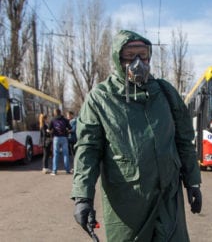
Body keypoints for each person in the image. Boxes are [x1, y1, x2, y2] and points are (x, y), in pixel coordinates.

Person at [71, 30, 202, 242]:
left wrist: (193, 182)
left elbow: (184, 140)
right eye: (130, 56)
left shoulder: (165, 93)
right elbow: (88, 148)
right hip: (128, 205)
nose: (138, 63)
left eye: (143, 55)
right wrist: (82, 197)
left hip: (168, 200)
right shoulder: (101, 98)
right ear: (118, 58)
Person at [49, 108, 72, 175]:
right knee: (65, 154)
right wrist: (67, 131)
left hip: (56, 138)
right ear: (60, 112)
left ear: (55, 113)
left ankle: (54, 171)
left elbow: (49, 129)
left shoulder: (53, 120)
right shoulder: (65, 120)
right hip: (64, 138)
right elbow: (70, 129)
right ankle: (67, 170)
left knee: (56, 154)